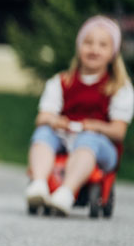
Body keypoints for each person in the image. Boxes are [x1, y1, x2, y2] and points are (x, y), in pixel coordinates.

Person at [25, 15, 132, 215]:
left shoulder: (119, 87)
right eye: (88, 43)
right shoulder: (61, 81)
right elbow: (42, 117)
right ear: (79, 47)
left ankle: (67, 191)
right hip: (65, 137)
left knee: (88, 140)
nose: (94, 49)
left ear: (112, 53)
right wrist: (55, 120)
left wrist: (94, 126)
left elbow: (118, 131)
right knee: (44, 133)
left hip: (100, 146)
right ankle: (39, 183)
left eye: (102, 45)